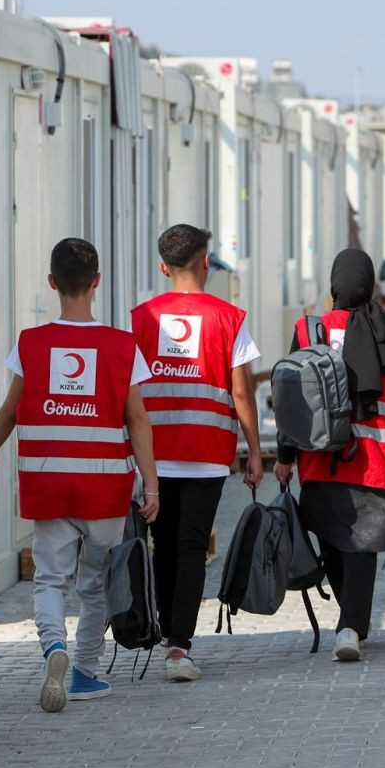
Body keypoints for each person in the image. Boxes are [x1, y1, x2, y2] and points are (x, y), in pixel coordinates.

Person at [0, 238, 160, 712]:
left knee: (50, 580)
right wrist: (151, 483)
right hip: (104, 491)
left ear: (52, 283)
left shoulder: (31, 344)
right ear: (96, 283)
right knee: (95, 582)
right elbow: (137, 419)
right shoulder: (122, 346)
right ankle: (83, 671)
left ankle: (53, 648)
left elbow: (10, 411)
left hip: (49, 484)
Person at [275, 249, 385, 662]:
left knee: (332, 541)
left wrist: (285, 457)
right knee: (360, 548)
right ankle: (352, 626)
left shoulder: (309, 331)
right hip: (374, 461)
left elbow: (290, 399)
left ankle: (350, 622)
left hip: (319, 460)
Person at [130, 225, 264, 682]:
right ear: (206, 262)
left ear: (163, 266)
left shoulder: (140, 318)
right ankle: (178, 646)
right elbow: (242, 393)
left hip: (153, 453)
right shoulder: (229, 317)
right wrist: (254, 452)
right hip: (207, 451)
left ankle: (167, 631)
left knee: (162, 546)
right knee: (191, 547)